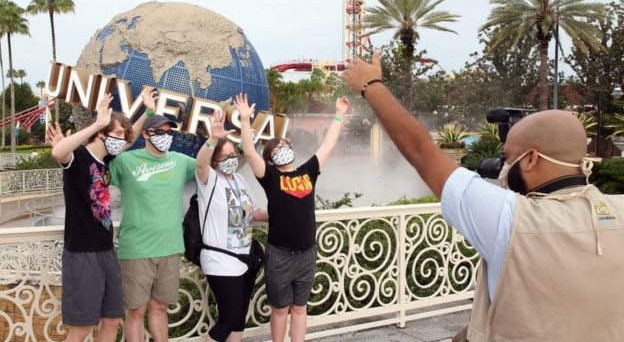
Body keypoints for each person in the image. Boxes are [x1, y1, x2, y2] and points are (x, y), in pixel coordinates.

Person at [342, 52, 624, 341]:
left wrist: (371, 84)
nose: (503, 168)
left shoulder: (510, 217)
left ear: (531, 160)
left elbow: (421, 151)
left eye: (508, 158)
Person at [234, 93, 350, 342]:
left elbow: (327, 146)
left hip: (307, 253)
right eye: (277, 150)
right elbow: (251, 154)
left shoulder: (308, 171)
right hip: (280, 255)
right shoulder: (271, 178)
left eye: (286, 146)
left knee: (299, 308)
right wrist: (245, 120)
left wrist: (339, 114)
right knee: (279, 310)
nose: (284, 150)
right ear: (271, 161)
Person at [47, 91, 152, 342]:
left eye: (121, 136)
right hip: (82, 253)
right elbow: (58, 153)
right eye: (115, 134)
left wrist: (147, 112)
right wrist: (97, 123)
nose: (121, 140)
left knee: (113, 319)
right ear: (102, 133)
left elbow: (131, 137)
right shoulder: (80, 158)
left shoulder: (105, 161)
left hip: (106, 250)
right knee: (82, 327)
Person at [108, 88, 197, 342]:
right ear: (146, 134)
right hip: (136, 249)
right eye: (160, 132)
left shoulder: (181, 161)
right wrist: (147, 112)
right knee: (135, 311)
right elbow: (112, 149)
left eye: (170, 132)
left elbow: (206, 164)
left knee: (160, 307)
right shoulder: (126, 162)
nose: (166, 137)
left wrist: (215, 139)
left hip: (170, 247)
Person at [195, 110, 268, 342]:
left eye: (233, 153)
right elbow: (200, 164)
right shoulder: (210, 180)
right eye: (225, 157)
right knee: (227, 318)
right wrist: (213, 139)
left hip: (244, 258)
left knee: (239, 319)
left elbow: (254, 213)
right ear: (216, 161)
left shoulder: (240, 179)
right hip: (220, 260)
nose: (231, 159)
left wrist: (282, 208)